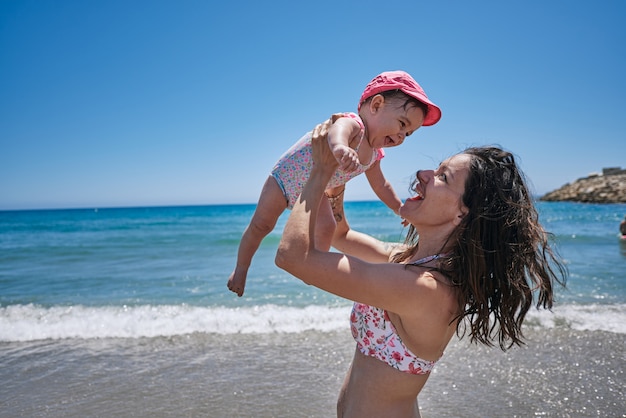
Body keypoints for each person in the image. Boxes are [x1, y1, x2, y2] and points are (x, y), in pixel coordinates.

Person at [275, 124, 567, 417]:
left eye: (442, 177)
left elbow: (293, 258)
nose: (423, 175)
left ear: (462, 213)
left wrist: (319, 171)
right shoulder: (408, 260)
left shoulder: (426, 288)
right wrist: (335, 186)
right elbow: (341, 235)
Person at [227, 71, 442, 297]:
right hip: (285, 180)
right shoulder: (355, 126)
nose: (400, 136)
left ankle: (312, 266)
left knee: (328, 227)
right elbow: (337, 130)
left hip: (316, 190)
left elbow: (382, 186)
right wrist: (341, 148)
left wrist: (399, 209)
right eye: (401, 124)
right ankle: (241, 269)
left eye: (407, 134)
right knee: (262, 225)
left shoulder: (374, 155)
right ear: (376, 105)